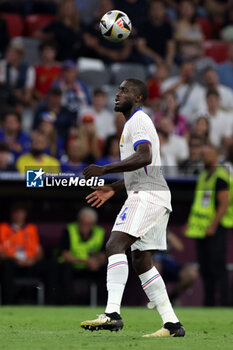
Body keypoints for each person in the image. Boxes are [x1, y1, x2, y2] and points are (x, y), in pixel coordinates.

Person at [81, 78, 185, 337]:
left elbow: (145, 156)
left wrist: (104, 169)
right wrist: (114, 187)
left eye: (124, 90)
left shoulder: (138, 120)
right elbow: (142, 166)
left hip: (147, 195)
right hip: (153, 193)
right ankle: (172, 324)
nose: (117, 94)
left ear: (138, 97)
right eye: (117, 89)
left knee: (115, 245)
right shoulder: (134, 122)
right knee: (142, 261)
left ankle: (112, 314)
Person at [185, 144, 230, 306]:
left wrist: (213, 225)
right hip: (200, 229)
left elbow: (224, 204)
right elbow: (198, 203)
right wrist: (190, 222)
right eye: (203, 154)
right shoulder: (204, 175)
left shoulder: (220, 176)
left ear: (217, 156)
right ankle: (209, 302)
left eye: (209, 154)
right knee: (205, 268)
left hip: (215, 229)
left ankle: (226, 302)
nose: (205, 157)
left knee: (218, 266)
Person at [59, 208, 106, 304]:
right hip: (73, 266)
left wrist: (97, 262)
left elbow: (104, 254)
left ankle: (104, 303)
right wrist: (86, 261)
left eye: (89, 224)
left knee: (108, 269)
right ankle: (67, 303)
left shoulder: (100, 232)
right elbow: (65, 254)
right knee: (63, 269)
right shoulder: (69, 230)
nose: (85, 226)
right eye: (82, 222)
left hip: (92, 267)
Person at [0, 203, 43, 304]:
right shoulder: (3, 228)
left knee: (51, 266)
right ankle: (8, 303)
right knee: (7, 265)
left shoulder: (32, 228)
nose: (19, 215)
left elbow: (39, 251)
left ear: (25, 214)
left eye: (21, 212)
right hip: (11, 265)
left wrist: (34, 260)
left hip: (30, 264)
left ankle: (52, 304)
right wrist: (15, 259)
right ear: (12, 214)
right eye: (16, 212)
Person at [153, 231, 198, 304]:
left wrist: (166, 232)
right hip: (153, 264)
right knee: (155, 267)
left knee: (191, 273)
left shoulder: (165, 231)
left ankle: (173, 297)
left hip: (170, 264)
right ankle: (156, 299)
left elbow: (180, 247)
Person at [136, 0, 175, 67]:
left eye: (159, 9)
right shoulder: (143, 26)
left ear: (164, 11)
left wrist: (169, 58)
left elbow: (171, 45)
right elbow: (141, 47)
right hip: (149, 56)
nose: (157, 11)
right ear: (149, 11)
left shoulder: (168, 27)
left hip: (163, 56)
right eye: (154, 8)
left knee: (178, 60)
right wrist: (155, 57)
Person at [0, 40, 35, 106]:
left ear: (19, 55)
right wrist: (13, 92)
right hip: (4, 97)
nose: (7, 54)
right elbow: (1, 83)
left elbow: (29, 90)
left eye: (11, 52)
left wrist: (24, 95)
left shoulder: (29, 69)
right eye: (8, 51)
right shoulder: (2, 64)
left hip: (20, 98)